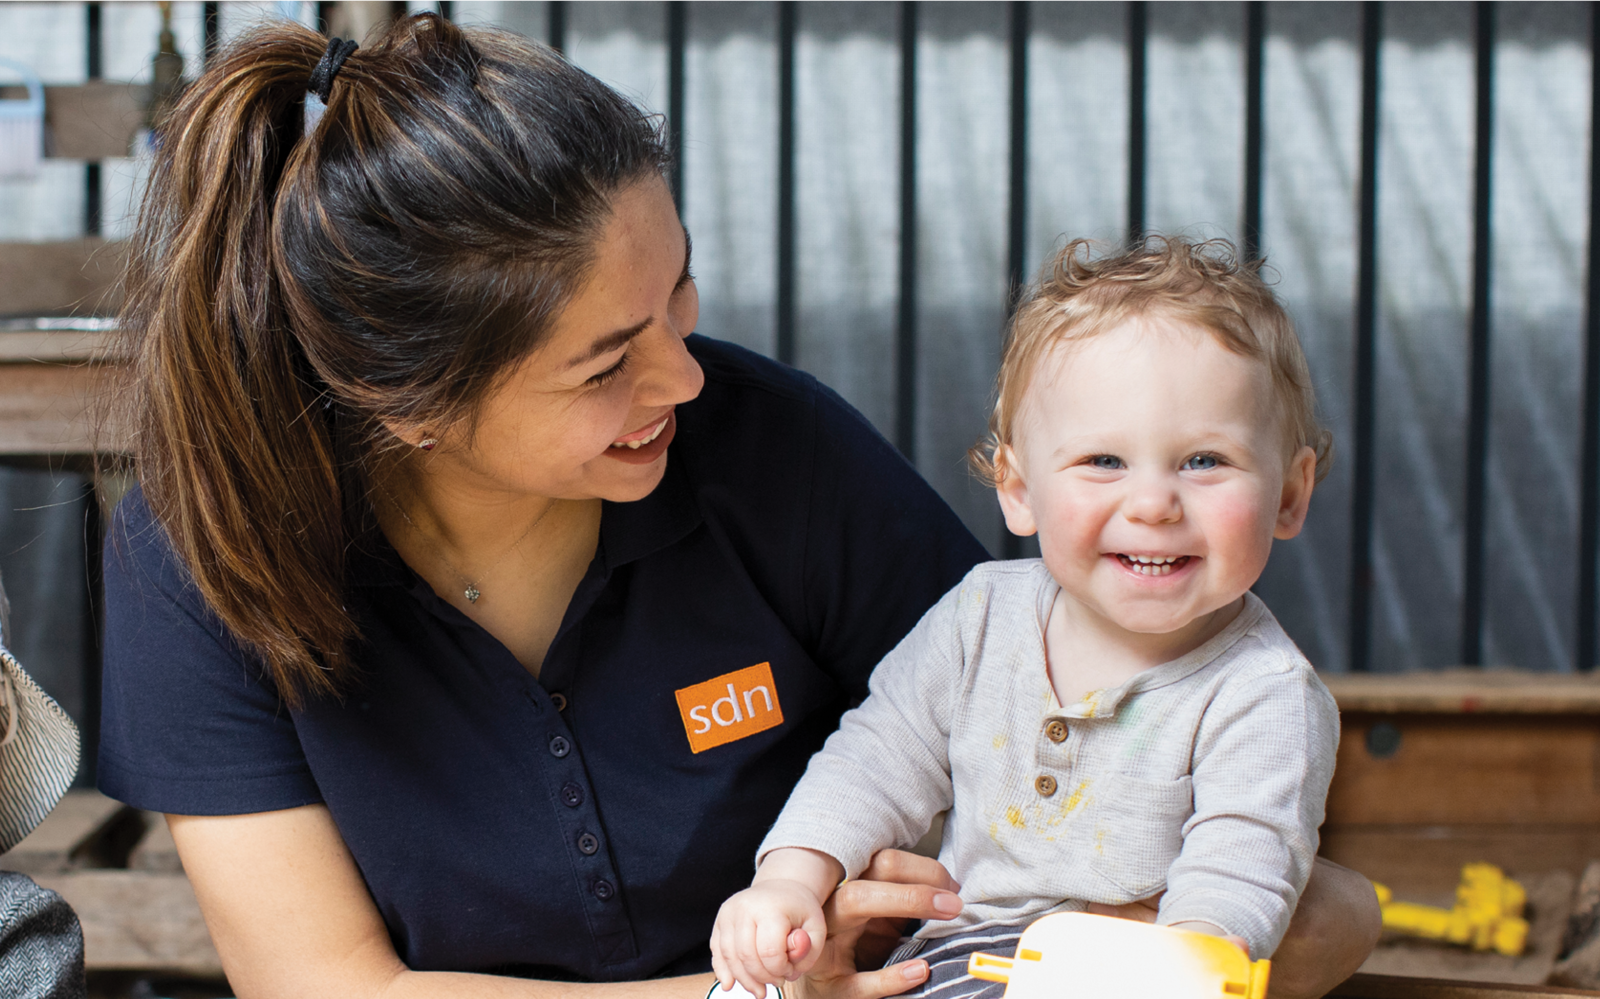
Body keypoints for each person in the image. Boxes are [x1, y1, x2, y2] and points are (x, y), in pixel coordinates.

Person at [95, 14, 1377, 999]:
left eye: (679, 297)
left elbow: (1032, 747)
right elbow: (327, 989)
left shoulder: (774, 453)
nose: (684, 376)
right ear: (408, 404)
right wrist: (746, 988)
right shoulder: (204, 554)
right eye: (606, 364)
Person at [711, 238, 1345, 999]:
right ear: (1017, 487)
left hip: (1124, 968)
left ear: (1289, 494)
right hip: (955, 958)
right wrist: (789, 877)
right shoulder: (982, 614)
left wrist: (1180, 966)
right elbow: (875, 757)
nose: (1152, 503)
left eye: (1204, 460)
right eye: (1103, 461)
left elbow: (1242, 866)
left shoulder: (1263, 692)